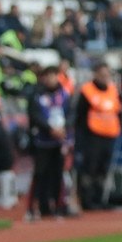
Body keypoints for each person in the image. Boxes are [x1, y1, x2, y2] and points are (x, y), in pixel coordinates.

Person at [75, 62, 121, 211]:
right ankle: (87, 200)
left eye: (107, 75)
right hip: (92, 136)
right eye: (102, 75)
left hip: (109, 135)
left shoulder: (113, 90)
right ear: (95, 74)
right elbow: (80, 115)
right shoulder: (87, 91)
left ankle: (100, 198)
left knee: (103, 169)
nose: (105, 78)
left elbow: (117, 109)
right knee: (90, 169)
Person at [27, 65, 71, 220]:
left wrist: (64, 129)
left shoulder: (64, 94)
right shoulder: (37, 95)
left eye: (54, 75)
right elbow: (34, 115)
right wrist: (50, 128)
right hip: (42, 140)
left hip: (58, 141)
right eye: (48, 76)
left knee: (57, 175)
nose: (51, 79)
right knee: (40, 173)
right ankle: (33, 207)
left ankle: (58, 207)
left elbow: (70, 114)